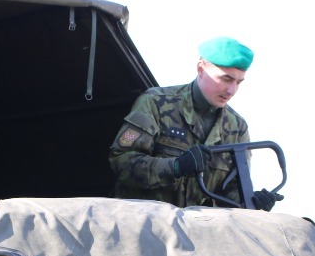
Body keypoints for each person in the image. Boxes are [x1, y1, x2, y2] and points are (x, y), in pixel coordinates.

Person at [109, 37, 281, 210]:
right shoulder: (155, 104)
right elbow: (122, 162)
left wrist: (250, 202)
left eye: (238, 82)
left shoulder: (237, 128)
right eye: (226, 79)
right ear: (201, 69)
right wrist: (175, 167)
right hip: (143, 226)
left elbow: (230, 191)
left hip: (196, 233)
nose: (232, 90)